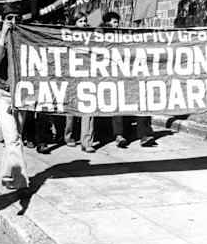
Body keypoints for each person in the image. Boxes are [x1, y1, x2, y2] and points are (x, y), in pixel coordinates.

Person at [101, 12, 156, 148]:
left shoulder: (125, 36)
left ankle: (144, 135)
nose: (117, 25)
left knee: (139, 103)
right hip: (113, 77)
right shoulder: (102, 36)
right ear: (107, 23)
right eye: (114, 22)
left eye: (118, 22)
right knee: (118, 106)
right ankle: (119, 136)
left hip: (129, 76)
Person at [0, 12, 29, 190]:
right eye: (9, 18)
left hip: (20, 93)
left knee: (15, 137)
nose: (13, 22)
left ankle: (6, 175)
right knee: (12, 139)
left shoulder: (25, 39)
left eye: (16, 19)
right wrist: (3, 35)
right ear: (3, 21)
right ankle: (21, 182)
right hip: (2, 93)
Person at [63, 13, 96, 152]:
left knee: (88, 108)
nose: (83, 23)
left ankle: (86, 141)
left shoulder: (91, 37)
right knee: (70, 110)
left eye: (85, 21)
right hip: (71, 77)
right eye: (80, 21)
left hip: (87, 76)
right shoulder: (67, 37)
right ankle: (68, 136)